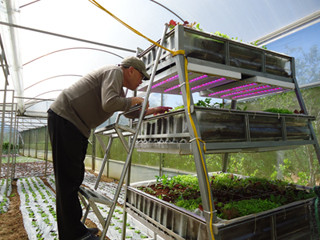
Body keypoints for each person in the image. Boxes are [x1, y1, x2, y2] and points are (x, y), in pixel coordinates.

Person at [47, 56, 171, 240]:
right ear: (131, 70)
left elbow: (125, 110)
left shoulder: (118, 86)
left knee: (73, 178)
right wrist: (134, 100)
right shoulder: (114, 72)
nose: (140, 81)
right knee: (67, 181)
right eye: (140, 76)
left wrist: (150, 111)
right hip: (66, 120)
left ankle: (75, 229)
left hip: (75, 126)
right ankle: (72, 235)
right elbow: (109, 103)